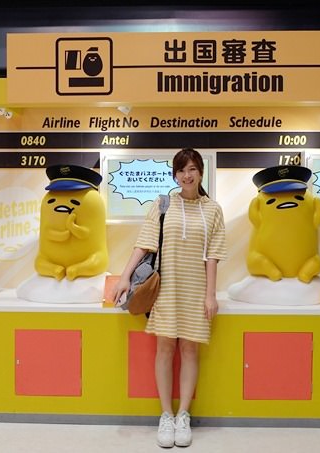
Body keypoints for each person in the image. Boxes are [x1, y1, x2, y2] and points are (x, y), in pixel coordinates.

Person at [114, 148, 227, 448]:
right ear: (174, 175)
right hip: (166, 289)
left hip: (196, 290)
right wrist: (125, 276)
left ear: (201, 172)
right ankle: (166, 415)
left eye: (192, 169)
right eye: (181, 170)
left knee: (190, 351)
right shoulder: (163, 205)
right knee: (164, 350)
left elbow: (213, 256)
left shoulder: (214, 209)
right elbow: (144, 244)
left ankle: (183, 416)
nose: (186, 175)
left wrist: (210, 295)